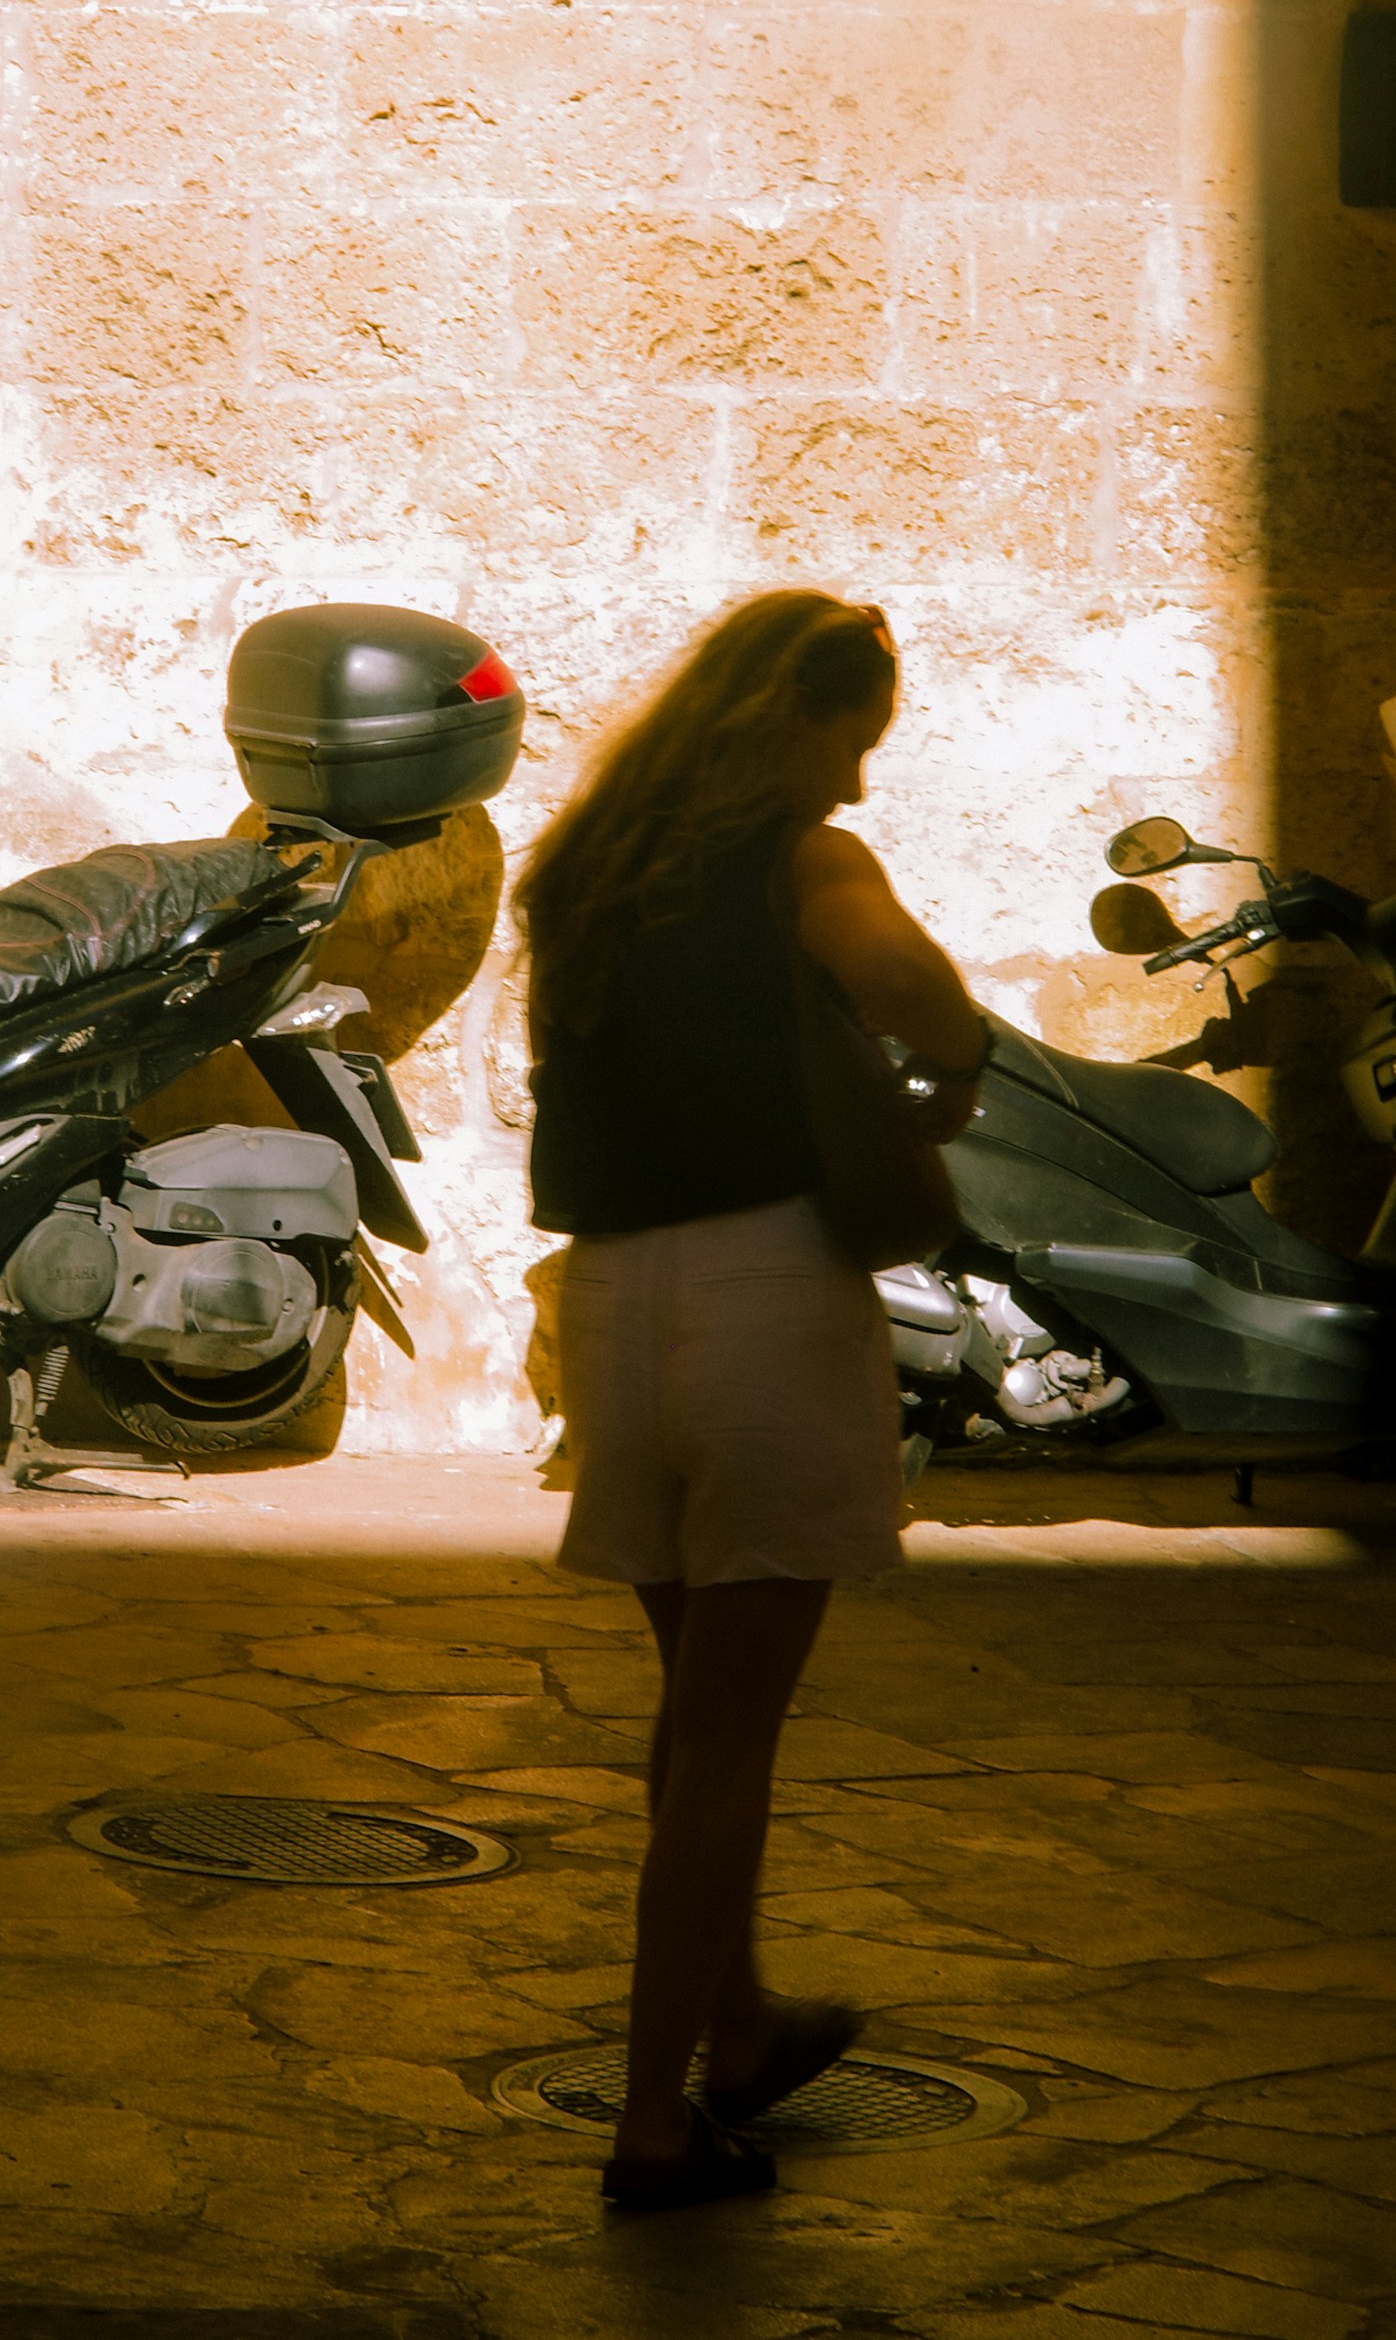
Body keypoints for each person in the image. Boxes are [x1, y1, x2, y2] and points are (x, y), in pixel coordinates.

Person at [514, 591, 987, 2215]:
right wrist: (944, 1076)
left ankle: (744, 2019)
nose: (854, 785)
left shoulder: (583, 870)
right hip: (766, 1298)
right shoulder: (805, 861)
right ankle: (659, 2117)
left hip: (612, 1304)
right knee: (729, 1736)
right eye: (851, 743)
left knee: (689, 1715)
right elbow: (929, 1002)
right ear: (795, 714)